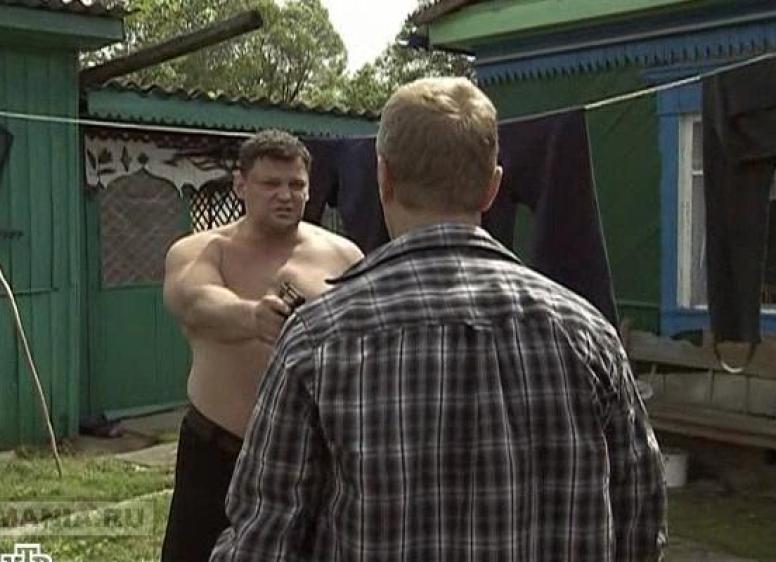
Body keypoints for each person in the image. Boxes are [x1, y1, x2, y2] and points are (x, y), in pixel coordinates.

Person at [211, 78, 667, 561]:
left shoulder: (317, 339)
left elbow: (261, 545)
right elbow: (640, 526)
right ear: (492, 187)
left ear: (383, 178)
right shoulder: (587, 335)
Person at [160, 129, 363, 562]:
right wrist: (252, 317)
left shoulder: (343, 256)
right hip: (219, 450)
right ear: (241, 184)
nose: (285, 195)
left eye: (296, 184)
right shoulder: (202, 250)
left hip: (312, 454)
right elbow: (194, 301)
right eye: (271, 183)